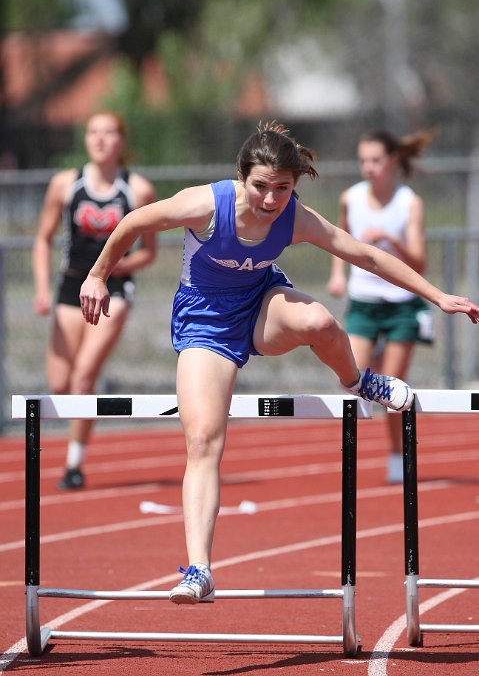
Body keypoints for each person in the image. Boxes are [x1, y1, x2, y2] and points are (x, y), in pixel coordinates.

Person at [78, 121, 479, 605]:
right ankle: (199, 570)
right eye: (261, 187)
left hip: (261, 306)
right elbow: (133, 222)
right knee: (203, 439)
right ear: (241, 178)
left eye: (282, 189)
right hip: (205, 324)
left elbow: (366, 256)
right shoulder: (205, 204)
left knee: (321, 323)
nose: (271, 200)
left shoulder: (295, 217)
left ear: (295, 185)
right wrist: (98, 274)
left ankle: (359, 381)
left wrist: (438, 296)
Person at [33, 110, 157, 490]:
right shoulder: (65, 185)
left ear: (121, 141)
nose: (100, 139)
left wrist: (117, 269)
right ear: (85, 139)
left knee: (84, 377)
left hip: (114, 290)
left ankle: (74, 464)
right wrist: (41, 288)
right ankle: (74, 449)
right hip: (71, 288)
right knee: (59, 384)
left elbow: (149, 252)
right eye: (93, 132)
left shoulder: (137, 190)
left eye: (108, 133)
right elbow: (43, 238)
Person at [327, 127, 436, 484]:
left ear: (391, 161)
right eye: (362, 161)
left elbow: (419, 263)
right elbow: (337, 238)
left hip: (401, 305)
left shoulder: (409, 202)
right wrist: (338, 274)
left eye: (375, 160)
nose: (368, 167)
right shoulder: (351, 198)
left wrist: (389, 240)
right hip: (364, 302)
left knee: (393, 391)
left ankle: (396, 453)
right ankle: (353, 459)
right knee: (352, 379)